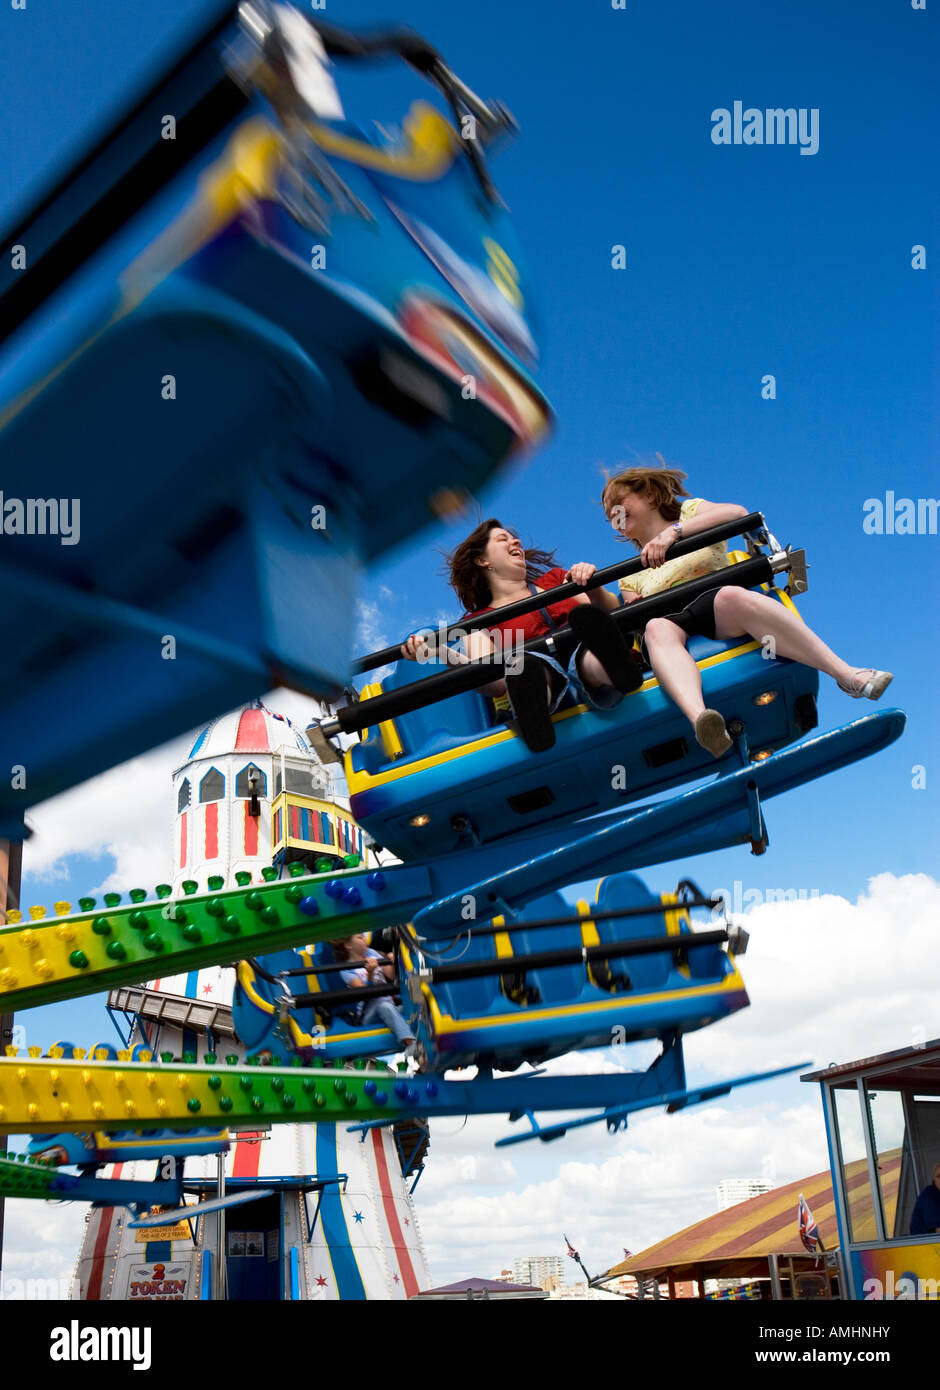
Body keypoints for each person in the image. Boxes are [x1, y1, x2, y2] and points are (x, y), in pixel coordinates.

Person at [585, 463, 893, 758]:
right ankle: (703, 722)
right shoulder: (629, 573)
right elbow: (633, 609)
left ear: (648, 495)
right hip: (668, 621)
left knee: (732, 595)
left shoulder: (690, 513)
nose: (615, 516)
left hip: (714, 601)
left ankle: (846, 674)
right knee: (655, 628)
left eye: (618, 504)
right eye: (609, 515)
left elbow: (736, 513)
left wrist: (674, 533)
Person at [400, 519, 642, 751]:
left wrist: (592, 584)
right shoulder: (476, 623)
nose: (516, 542)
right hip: (542, 685)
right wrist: (440, 651)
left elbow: (609, 612)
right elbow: (493, 684)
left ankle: (616, 670)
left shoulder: (556, 580)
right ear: (483, 560)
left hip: (585, 662)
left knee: (585, 648)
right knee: (526, 665)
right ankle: (534, 712)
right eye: (503, 539)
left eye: (515, 539)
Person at [331, 934, 416, 1054]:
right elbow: (365, 994)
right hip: (370, 1015)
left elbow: (391, 975)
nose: (365, 939)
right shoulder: (346, 969)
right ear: (348, 945)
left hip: (391, 1007)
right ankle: (411, 1044)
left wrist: (392, 960)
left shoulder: (371, 953)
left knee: (413, 1005)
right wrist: (370, 974)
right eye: (360, 938)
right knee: (384, 1006)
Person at [910, 1160, 940, 1236]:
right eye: (938, 1176)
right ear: (934, 1179)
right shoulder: (930, 1194)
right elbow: (938, 1231)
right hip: (923, 1245)